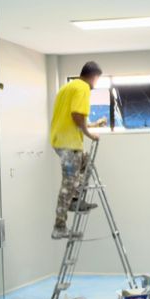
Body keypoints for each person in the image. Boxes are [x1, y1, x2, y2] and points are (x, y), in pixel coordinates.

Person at [49, 62, 102, 239]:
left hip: (61, 140)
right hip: (69, 144)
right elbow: (77, 115)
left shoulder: (67, 88)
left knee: (87, 163)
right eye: (97, 79)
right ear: (93, 76)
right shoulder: (83, 88)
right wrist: (89, 134)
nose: (96, 83)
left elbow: (71, 117)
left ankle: (74, 199)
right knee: (68, 184)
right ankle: (59, 226)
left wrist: (93, 125)